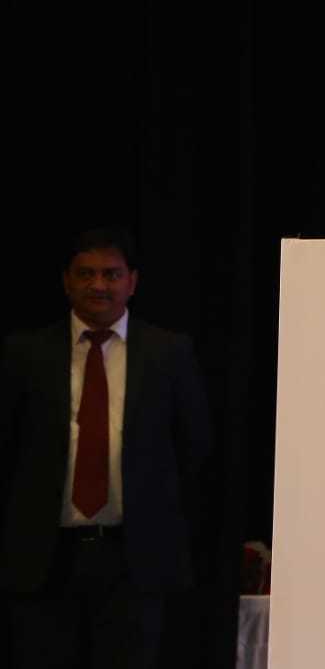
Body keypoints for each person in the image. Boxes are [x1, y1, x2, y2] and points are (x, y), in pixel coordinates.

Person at [0, 228, 211, 669]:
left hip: (134, 561)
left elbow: (193, 450)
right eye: (86, 274)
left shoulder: (169, 352)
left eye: (111, 274)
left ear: (132, 282)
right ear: (66, 281)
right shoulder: (24, 353)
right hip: (42, 558)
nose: (98, 285)